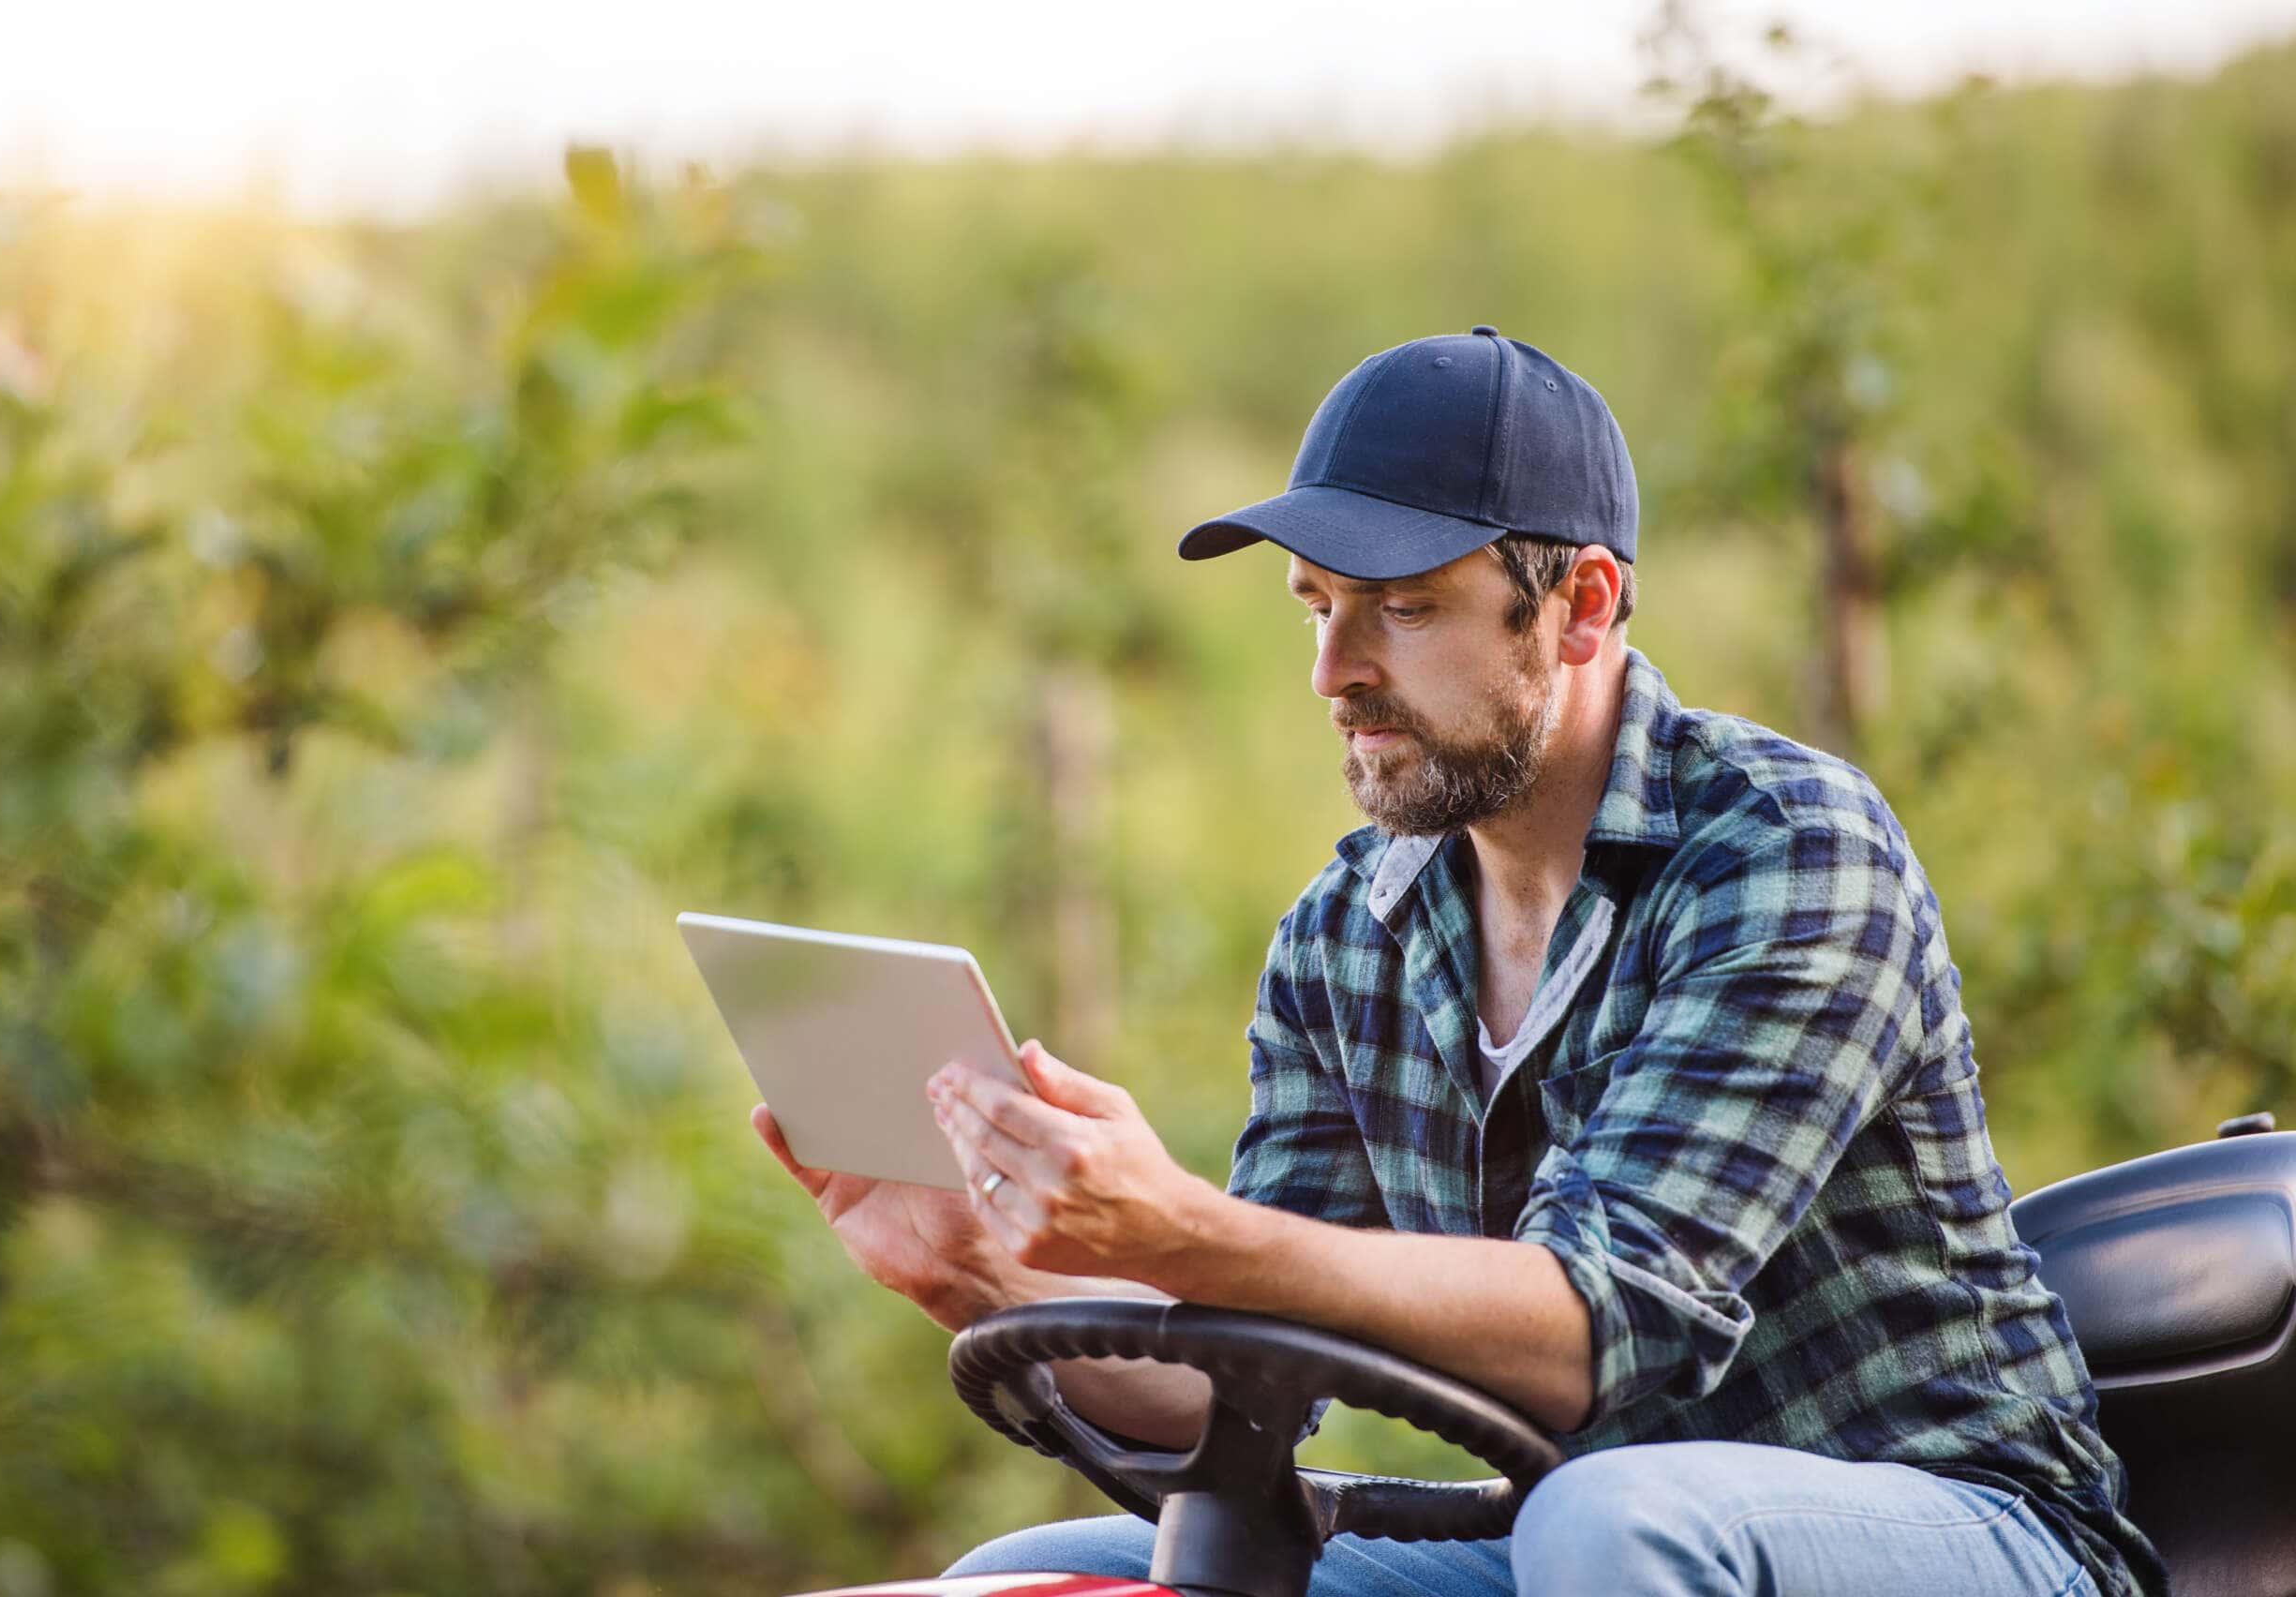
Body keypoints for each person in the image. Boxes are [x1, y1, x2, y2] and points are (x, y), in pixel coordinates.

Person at [752, 327, 2165, 1597]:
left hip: (1959, 1530)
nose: (1335, 671)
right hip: (1572, 1533)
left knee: (1613, 1525)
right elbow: (1248, 1384)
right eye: (1315, 607)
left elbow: (1601, 1330)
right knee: (1042, 1573)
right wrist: (995, 1280)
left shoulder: (1788, 855)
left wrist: (1176, 1226)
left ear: (1583, 608)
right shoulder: (1346, 932)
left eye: (1405, 609)